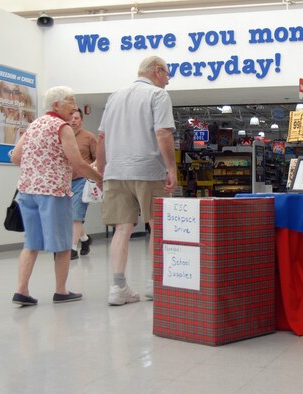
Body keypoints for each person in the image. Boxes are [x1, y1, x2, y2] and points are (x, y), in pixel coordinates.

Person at [10, 86, 103, 306]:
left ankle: (21, 291)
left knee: (31, 243)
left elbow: (15, 156)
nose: (74, 106)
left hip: (27, 191)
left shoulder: (34, 125)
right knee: (63, 243)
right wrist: (98, 177)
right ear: (56, 105)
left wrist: (36, 167)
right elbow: (77, 162)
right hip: (53, 191)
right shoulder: (62, 127)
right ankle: (61, 291)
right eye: (70, 101)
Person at [96, 56, 177, 306]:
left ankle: (118, 286)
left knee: (122, 229)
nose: (168, 80)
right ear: (156, 71)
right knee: (157, 225)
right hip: (148, 170)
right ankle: (155, 283)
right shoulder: (158, 95)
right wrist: (171, 168)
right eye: (167, 74)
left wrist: (101, 172)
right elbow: (162, 132)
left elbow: (101, 137)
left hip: (116, 172)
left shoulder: (114, 96)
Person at [69, 108, 97, 260]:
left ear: (81, 120)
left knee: (76, 215)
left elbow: (99, 157)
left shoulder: (88, 137)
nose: (73, 120)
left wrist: (93, 167)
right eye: (71, 117)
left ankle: (72, 250)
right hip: (65, 181)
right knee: (70, 216)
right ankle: (85, 240)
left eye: (77, 118)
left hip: (82, 180)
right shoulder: (62, 136)